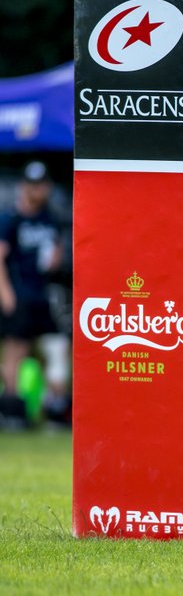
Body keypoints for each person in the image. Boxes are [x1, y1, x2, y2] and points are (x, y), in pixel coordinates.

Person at [0, 161, 68, 426]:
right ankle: (12, 408)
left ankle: (55, 406)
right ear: (23, 187)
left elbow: (57, 252)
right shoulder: (11, 219)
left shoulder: (51, 218)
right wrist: (5, 295)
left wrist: (56, 258)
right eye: (32, 185)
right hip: (19, 293)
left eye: (41, 185)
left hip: (45, 294)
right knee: (16, 349)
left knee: (54, 348)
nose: (36, 190)